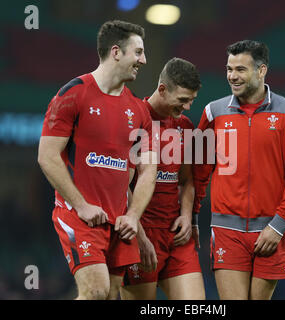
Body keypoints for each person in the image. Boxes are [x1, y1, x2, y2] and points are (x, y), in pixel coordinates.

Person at [37, 20, 157, 300]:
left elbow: (148, 170)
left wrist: (134, 217)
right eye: (138, 52)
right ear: (116, 52)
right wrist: (81, 205)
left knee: (113, 295)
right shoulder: (73, 94)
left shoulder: (139, 110)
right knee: (96, 291)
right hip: (79, 216)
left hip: (119, 223)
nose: (144, 60)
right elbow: (47, 156)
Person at [193, 40, 285, 300]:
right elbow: (199, 171)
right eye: (228, 69)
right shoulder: (213, 113)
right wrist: (191, 217)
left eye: (240, 70)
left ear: (261, 71)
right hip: (227, 231)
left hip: (272, 231)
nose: (232, 76)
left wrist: (279, 225)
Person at [120, 57, 205, 300]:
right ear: (162, 89)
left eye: (191, 100)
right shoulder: (132, 120)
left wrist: (187, 215)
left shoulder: (185, 127)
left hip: (176, 235)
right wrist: (139, 235)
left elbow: (187, 180)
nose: (187, 106)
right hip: (139, 234)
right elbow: (120, 186)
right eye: (182, 100)